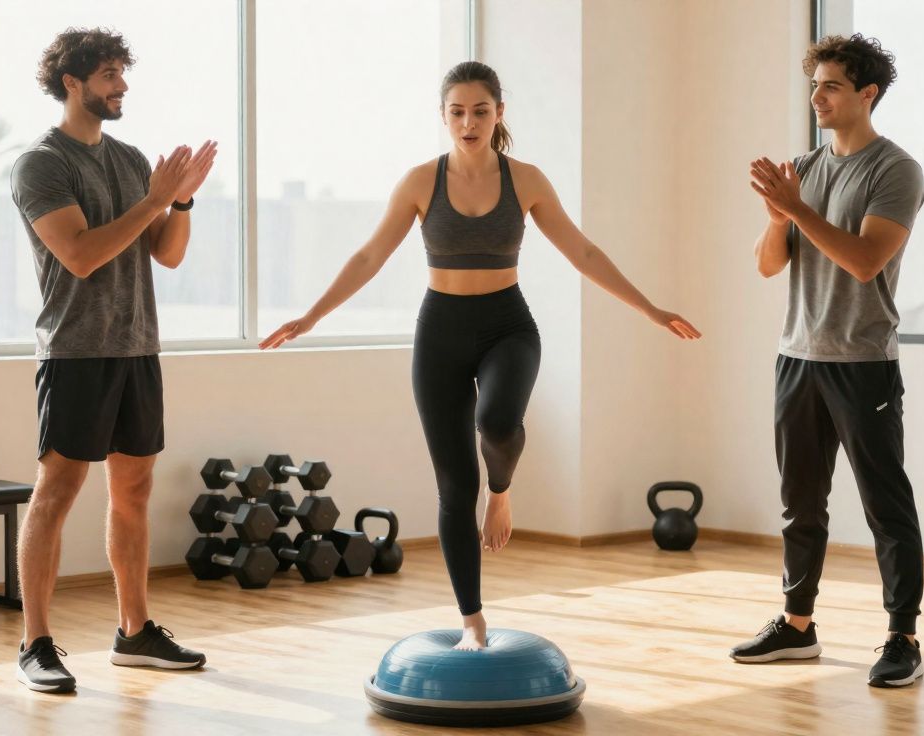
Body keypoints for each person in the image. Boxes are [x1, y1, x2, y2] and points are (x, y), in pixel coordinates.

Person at [260, 61, 701, 651]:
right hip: (439, 331)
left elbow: (585, 253)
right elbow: (369, 257)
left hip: (507, 326)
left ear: (499, 113)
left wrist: (648, 307)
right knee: (452, 486)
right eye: (457, 112)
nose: (469, 123)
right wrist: (310, 316)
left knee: (495, 422)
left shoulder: (527, 180)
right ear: (443, 117)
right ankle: (472, 621)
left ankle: (503, 487)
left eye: (481, 111)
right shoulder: (421, 181)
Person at [9, 27, 216, 693]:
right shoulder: (41, 164)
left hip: (137, 347)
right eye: (107, 75)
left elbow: (169, 252)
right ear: (71, 82)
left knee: (134, 491)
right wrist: (156, 199)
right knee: (57, 493)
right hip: (75, 351)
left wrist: (178, 199)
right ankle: (35, 643)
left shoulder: (128, 160)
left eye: (122, 73)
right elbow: (81, 254)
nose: (121, 85)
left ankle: (134, 632)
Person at [731, 34, 924, 688]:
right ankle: (797, 625)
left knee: (885, 504)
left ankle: (902, 637)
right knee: (799, 503)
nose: (817, 96)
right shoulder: (804, 166)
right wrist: (776, 216)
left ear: (867, 94)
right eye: (814, 84)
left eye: (832, 85)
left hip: (862, 361)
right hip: (797, 357)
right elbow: (767, 264)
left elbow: (866, 259)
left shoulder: (894, 170)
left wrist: (797, 210)